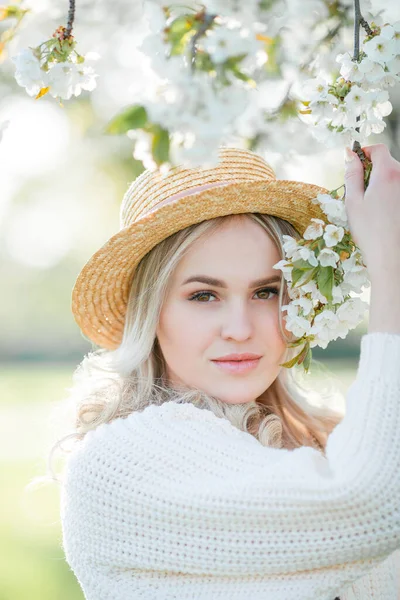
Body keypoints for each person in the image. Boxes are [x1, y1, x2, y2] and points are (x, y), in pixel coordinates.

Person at [57, 144, 400, 599]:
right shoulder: (122, 462)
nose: (240, 329)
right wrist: (390, 267)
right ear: (151, 311)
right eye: (204, 295)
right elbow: (371, 507)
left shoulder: (327, 441)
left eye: (266, 291)